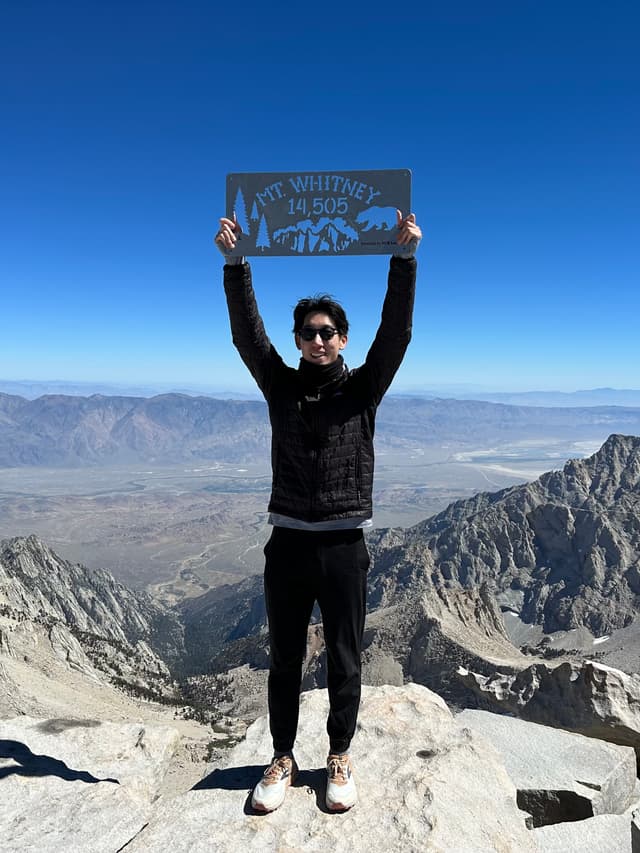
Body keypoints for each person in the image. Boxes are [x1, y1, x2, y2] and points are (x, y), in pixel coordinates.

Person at [215, 209, 421, 813]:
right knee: (283, 655)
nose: (320, 339)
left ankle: (339, 754)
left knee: (345, 656)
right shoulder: (280, 385)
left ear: (343, 339)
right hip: (288, 543)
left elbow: (397, 335)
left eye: (329, 331)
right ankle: (282, 757)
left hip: (343, 545)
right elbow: (246, 337)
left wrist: (405, 261)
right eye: (309, 331)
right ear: (299, 339)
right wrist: (235, 265)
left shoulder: (364, 390)